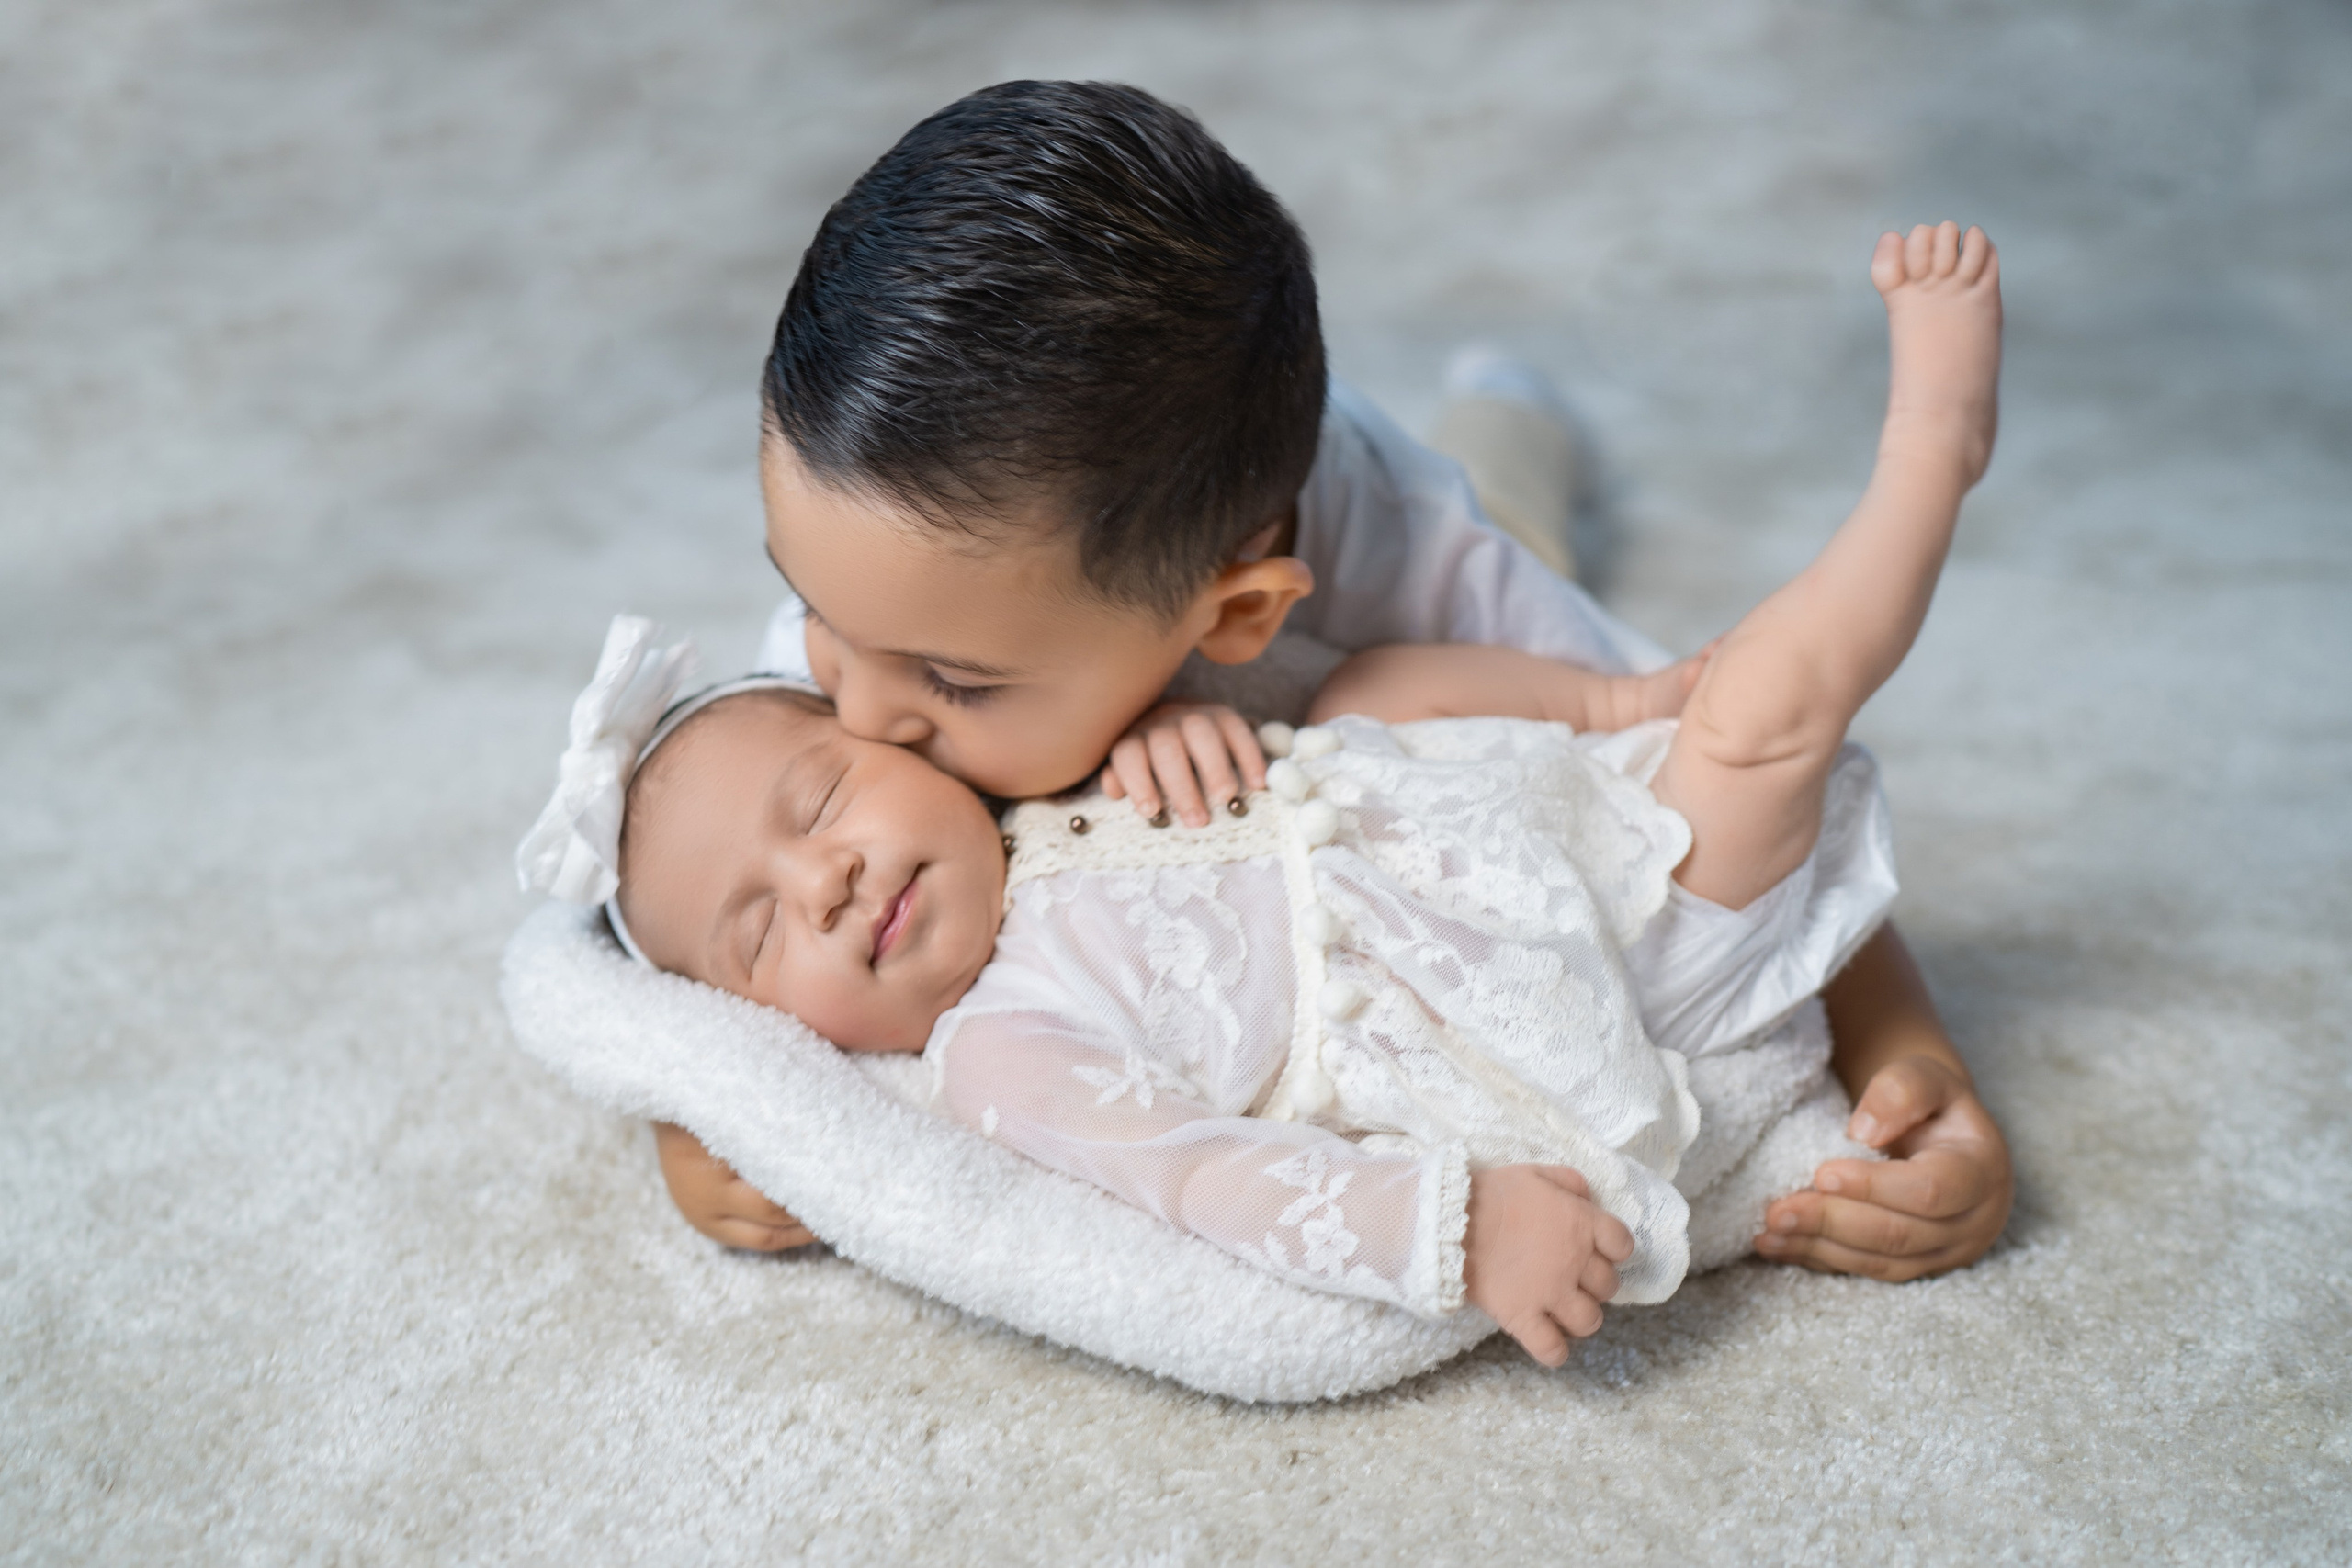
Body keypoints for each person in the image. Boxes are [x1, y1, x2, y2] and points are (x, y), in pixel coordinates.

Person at [551, 207, 2007, 1368]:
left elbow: (1714, 809)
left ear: (1233, 624)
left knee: (1520, 528)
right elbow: (686, 886)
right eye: (813, 618)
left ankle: (1520, 418)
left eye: (952, 691)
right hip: (1228, 617)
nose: (865, 719)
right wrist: (720, 1108)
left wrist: (1905, 1053)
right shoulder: (879, 637)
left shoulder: (1425, 572)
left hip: (1431, 661)